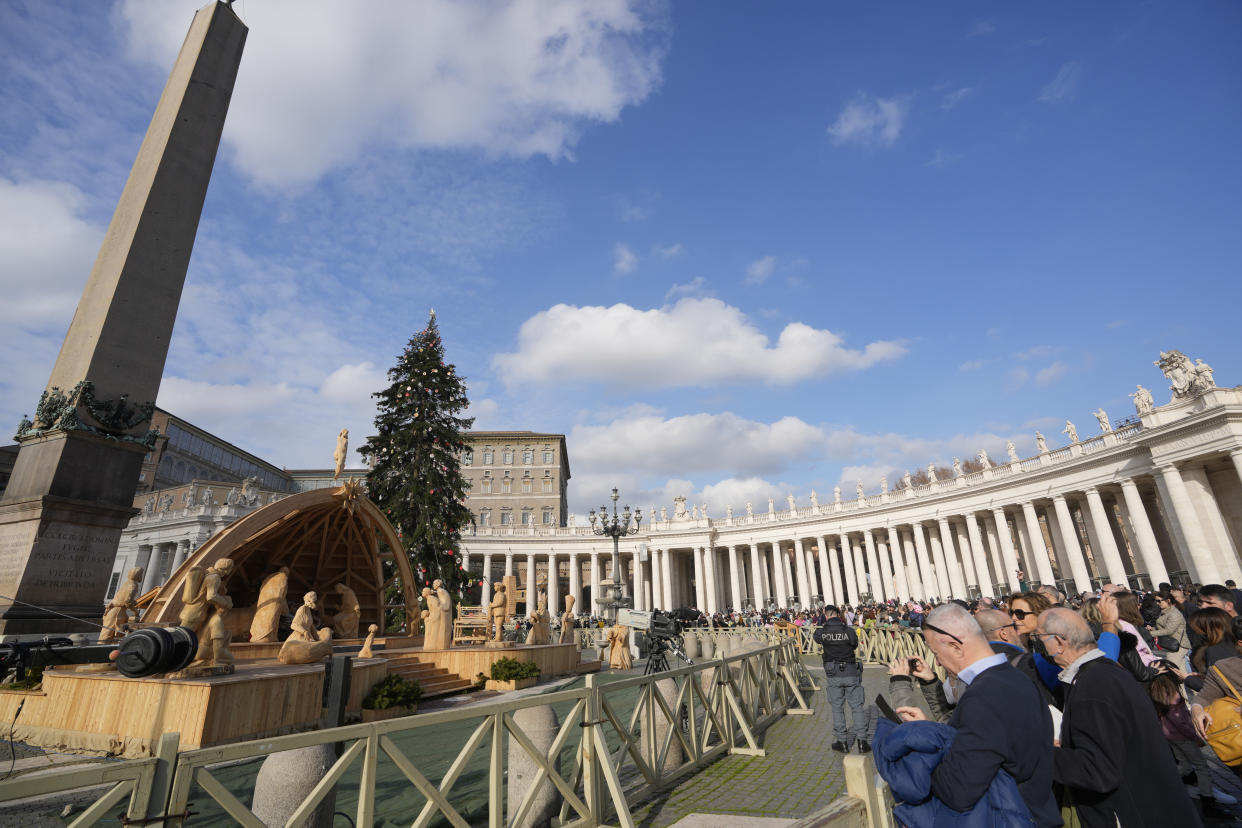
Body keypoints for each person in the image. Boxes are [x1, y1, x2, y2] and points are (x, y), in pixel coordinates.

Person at [895, 604, 1060, 826]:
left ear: (955, 646)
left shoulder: (983, 697)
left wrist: (924, 746)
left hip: (1014, 817)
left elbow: (958, 790)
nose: (938, 662)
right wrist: (933, 728)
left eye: (936, 653)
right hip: (1039, 807)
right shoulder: (1016, 677)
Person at [1038, 608, 1201, 827]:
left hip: (1131, 813)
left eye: (1037, 638)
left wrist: (1043, 753)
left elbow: (1097, 771)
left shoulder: (1092, 687)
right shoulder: (1108, 672)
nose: (1037, 646)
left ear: (1058, 642)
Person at [813, 605, 868, 753]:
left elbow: (816, 637)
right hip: (850, 670)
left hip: (833, 672)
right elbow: (855, 644)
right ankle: (862, 741)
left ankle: (842, 742)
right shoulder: (848, 631)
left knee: (837, 707)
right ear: (839, 614)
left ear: (825, 614)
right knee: (857, 706)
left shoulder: (822, 632)